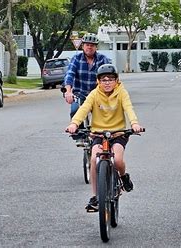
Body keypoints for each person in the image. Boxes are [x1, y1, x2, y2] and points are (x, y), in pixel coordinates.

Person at [65, 64, 143, 212]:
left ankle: (123, 176)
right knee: (94, 159)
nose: (107, 82)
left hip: (118, 134)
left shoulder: (122, 93)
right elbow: (84, 109)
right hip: (98, 134)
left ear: (117, 80)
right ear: (98, 81)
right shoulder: (94, 94)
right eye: (103, 79)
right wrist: (74, 124)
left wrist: (134, 124)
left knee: (118, 160)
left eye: (111, 79)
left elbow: (128, 108)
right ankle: (95, 196)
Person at [63, 33, 111, 146]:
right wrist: (68, 92)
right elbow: (69, 75)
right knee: (75, 110)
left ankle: (104, 136)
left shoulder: (103, 59)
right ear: (82, 46)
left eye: (92, 45)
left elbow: (110, 76)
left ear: (96, 47)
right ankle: (79, 136)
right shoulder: (76, 59)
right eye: (87, 45)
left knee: (106, 112)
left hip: (98, 94)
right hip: (80, 93)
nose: (89, 47)